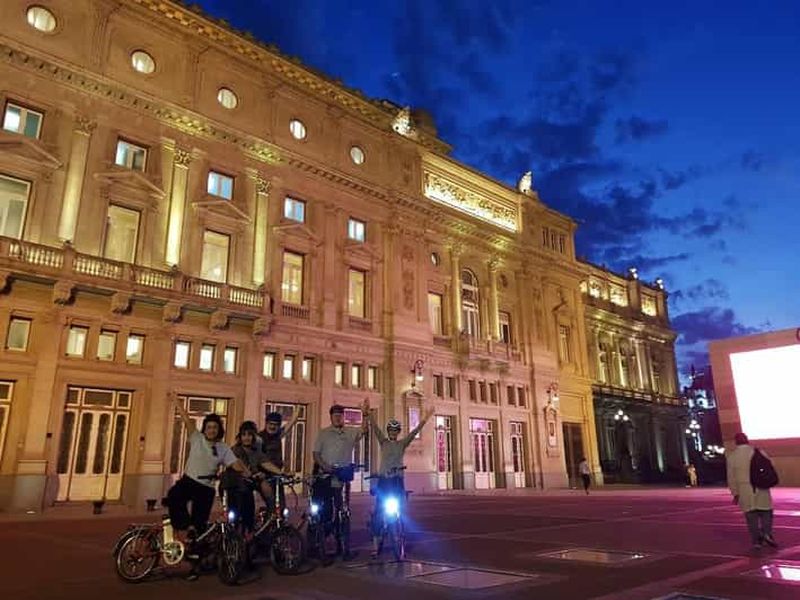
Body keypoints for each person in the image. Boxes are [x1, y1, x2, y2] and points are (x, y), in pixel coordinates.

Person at [165, 393, 249, 579]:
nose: (211, 430)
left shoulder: (223, 448)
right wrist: (177, 401)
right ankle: (186, 526)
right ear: (204, 429)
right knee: (173, 496)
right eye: (209, 427)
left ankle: (195, 566)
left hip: (206, 488)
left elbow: (235, 464)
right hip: (189, 481)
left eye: (215, 427)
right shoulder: (197, 438)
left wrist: (249, 474)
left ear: (219, 430)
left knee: (200, 528)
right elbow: (186, 419)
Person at [364, 401, 434, 559]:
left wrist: (425, 418)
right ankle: (375, 544)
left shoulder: (402, 444)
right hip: (384, 481)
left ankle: (399, 530)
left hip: (397, 481)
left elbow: (414, 432)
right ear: (388, 432)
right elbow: (375, 428)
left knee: (400, 507)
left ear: (398, 432)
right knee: (378, 512)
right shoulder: (383, 442)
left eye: (396, 431)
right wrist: (368, 414)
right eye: (391, 431)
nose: (393, 433)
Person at [312, 403, 368, 559]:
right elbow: (316, 454)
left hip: (342, 479)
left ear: (343, 417)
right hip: (325, 478)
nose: (337, 418)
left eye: (340, 415)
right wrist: (325, 467)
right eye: (335, 415)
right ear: (331, 417)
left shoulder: (350, 432)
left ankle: (343, 547)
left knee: (343, 513)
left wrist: (365, 414)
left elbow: (364, 430)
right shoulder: (323, 433)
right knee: (325, 512)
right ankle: (320, 544)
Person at [220, 421, 283, 537]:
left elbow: (266, 463)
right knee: (237, 516)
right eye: (244, 435)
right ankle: (234, 539)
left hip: (247, 486)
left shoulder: (256, 451)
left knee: (265, 490)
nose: (247, 438)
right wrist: (252, 474)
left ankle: (270, 516)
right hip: (234, 487)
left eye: (249, 434)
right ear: (240, 437)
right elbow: (239, 465)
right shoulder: (235, 450)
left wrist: (282, 473)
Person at [727, 432, 776, 550]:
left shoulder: (732, 457)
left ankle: (756, 541)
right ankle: (767, 533)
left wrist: (735, 493)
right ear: (747, 440)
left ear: (736, 442)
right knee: (766, 512)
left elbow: (731, 477)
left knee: (751, 516)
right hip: (761, 487)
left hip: (744, 490)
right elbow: (770, 466)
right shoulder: (758, 452)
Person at [258, 410, 301, 508]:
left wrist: (298, 409)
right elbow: (261, 461)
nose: (273, 427)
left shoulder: (278, 435)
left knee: (281, 506)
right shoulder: (259, 438)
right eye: (271, 424)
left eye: (276, 425)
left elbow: (291, 423)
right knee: (272, 503)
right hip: (263, 476)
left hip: (277, 475)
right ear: (266, 423)